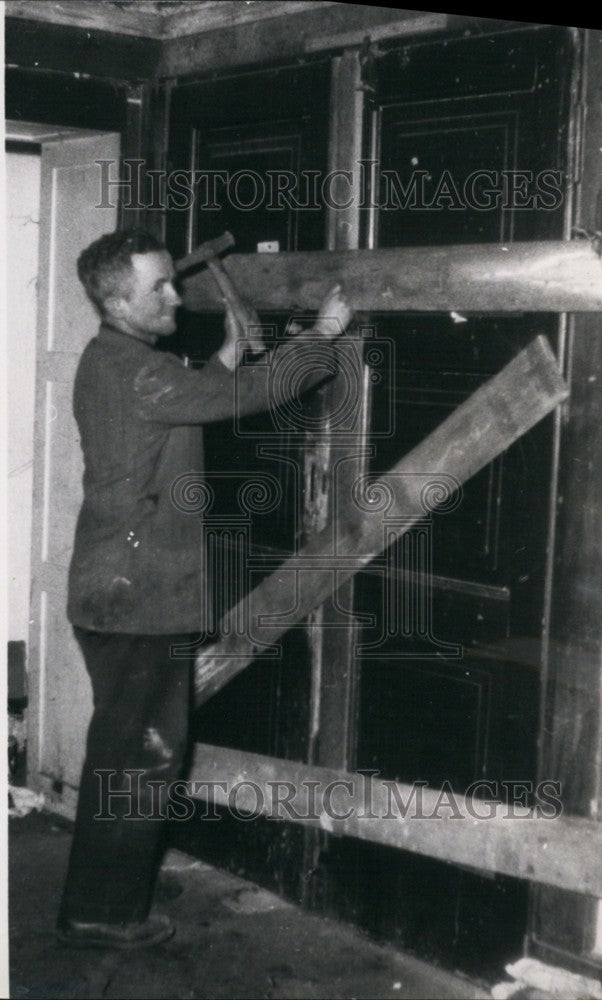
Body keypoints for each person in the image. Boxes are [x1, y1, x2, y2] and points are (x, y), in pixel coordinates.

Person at [57, 229, 352, 948]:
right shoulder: (138, 372)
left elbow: (198, 394)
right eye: (157, 287)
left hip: (118, 591)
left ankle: (100, 899)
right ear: (115, 298)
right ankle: (100, 913)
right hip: (135, 598)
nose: (173, 294)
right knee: (143, 759)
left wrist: (225, 351)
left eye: (171, 280)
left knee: (129, 755)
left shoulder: (122, 362)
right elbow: (249, 394)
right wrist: (320, 337)